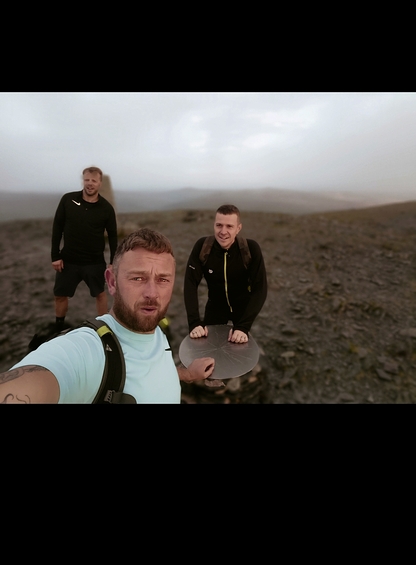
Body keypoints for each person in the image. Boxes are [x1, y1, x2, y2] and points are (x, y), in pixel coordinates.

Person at [0, 229, 215, 403]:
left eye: (163, 280)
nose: (152, 293)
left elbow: (144, 371)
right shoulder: (86, 349)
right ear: (111, 282)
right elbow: (39, 380)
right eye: (138, 278)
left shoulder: (157, 330)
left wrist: (185, 374)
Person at [184, 204, 267, 343]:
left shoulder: (250, 249)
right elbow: (190, 283)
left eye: (229, 226)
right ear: (214, 225)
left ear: (238, 228)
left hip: (242, 311)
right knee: (211, 350)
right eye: (219, 225)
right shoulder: (203, 247)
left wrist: (243, 326)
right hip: (214, 309)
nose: (223, 231)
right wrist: (194, 322)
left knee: (239, 353)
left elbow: (260, 288)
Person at [51, 167, 117, 329]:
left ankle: (103, 327)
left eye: (93, 181)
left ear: (99, 183)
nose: (90, 184)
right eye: (87, 180)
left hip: (94, 261)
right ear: (83, 180)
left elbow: (113, 235)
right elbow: (57, 227)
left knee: (100, 295)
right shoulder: (68, 200)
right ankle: (59, 326)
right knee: (60, 295)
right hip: (68, 260)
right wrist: (55, 256)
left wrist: (113, 262)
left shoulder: (106, 208)